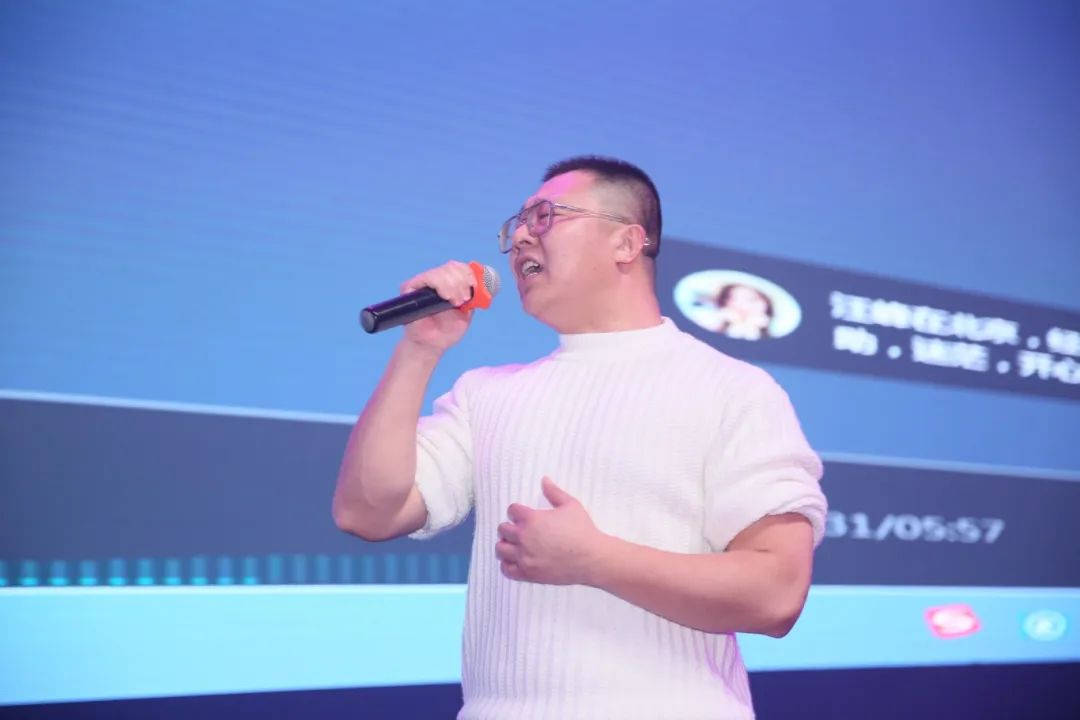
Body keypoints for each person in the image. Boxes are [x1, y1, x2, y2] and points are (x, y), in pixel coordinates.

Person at [333, 156, 827, 719]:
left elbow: (776, 593)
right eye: (517, 225)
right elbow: (367, 512)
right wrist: (419, 349)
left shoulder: (732, 390)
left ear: (627, 243)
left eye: (545, 216)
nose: (522, 237)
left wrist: (595, 560)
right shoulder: (486, 393)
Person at [708, 283, 775, 340]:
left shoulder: (773, 330)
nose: (742, 305)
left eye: (751, 299)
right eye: (733, 299)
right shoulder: (714, 320)